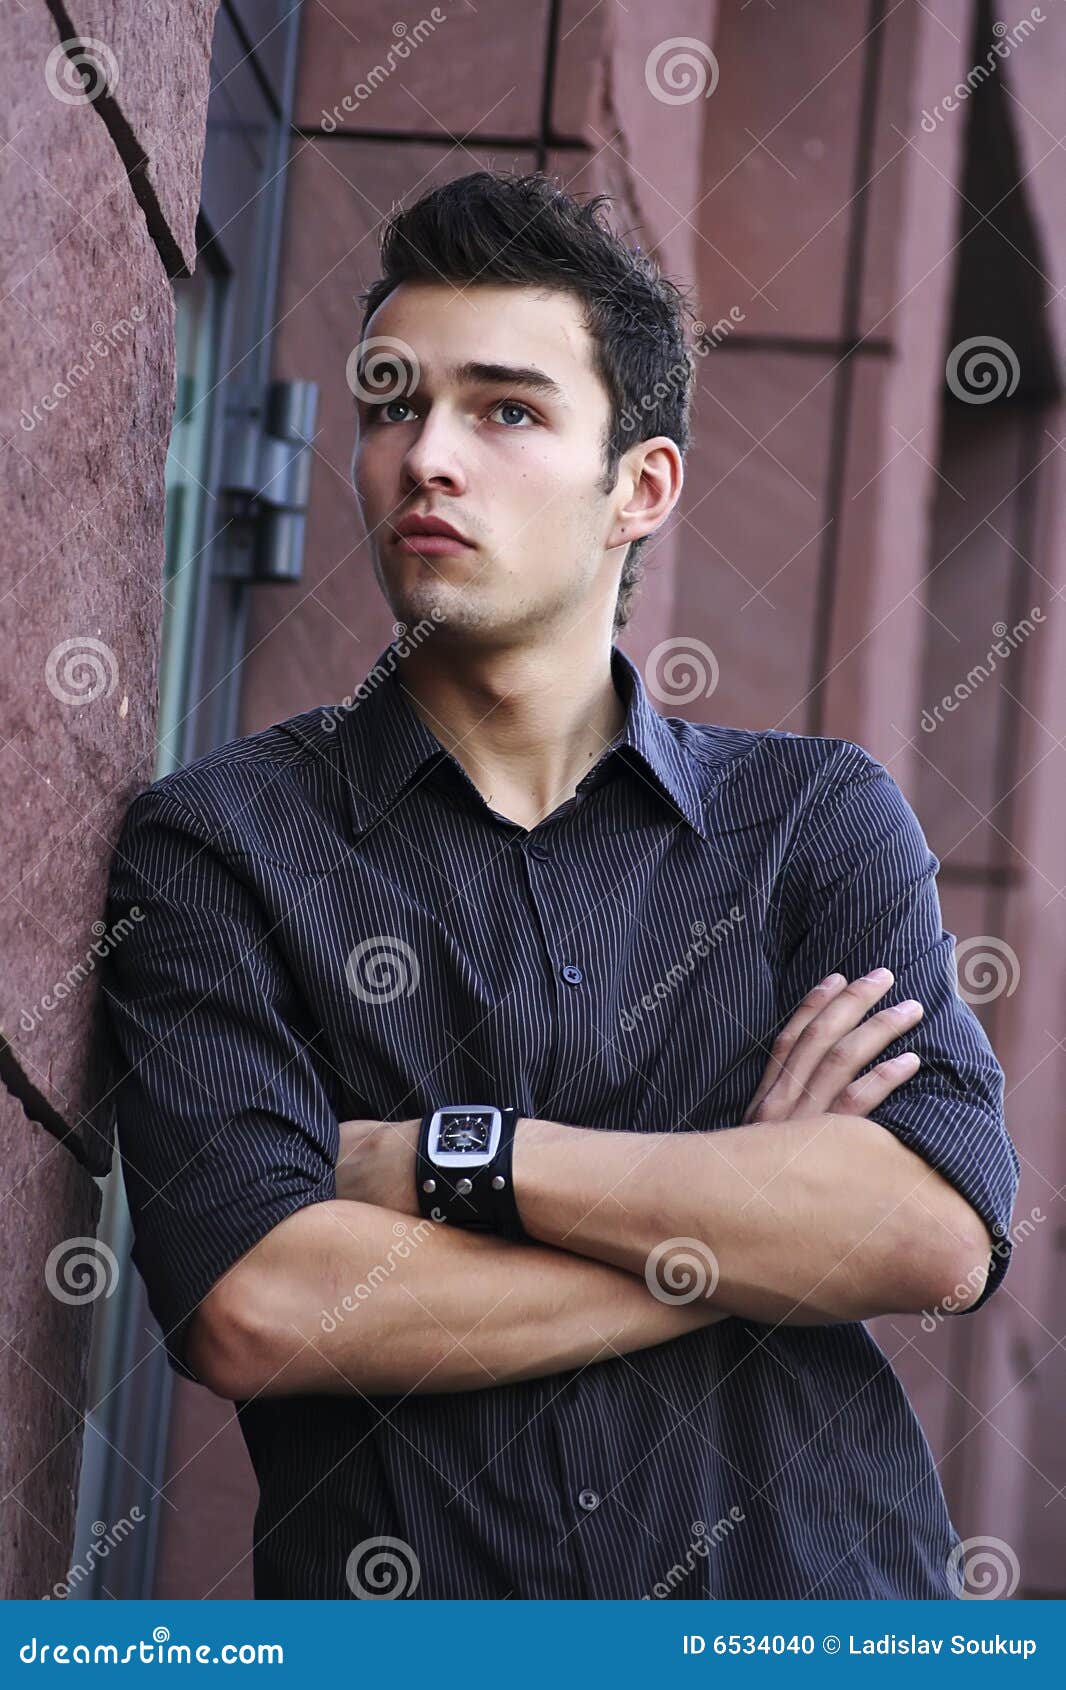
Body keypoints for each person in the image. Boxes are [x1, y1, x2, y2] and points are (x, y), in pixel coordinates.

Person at [103, 170, 1019, 1601]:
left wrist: (451, 1163)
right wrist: (752, 1228)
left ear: (637, 488)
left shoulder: (813, 822)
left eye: (507, 412)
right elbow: (260, 1306)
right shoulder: (222, 845)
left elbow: (930, 1229)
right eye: (394, 403)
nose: (427, 456)